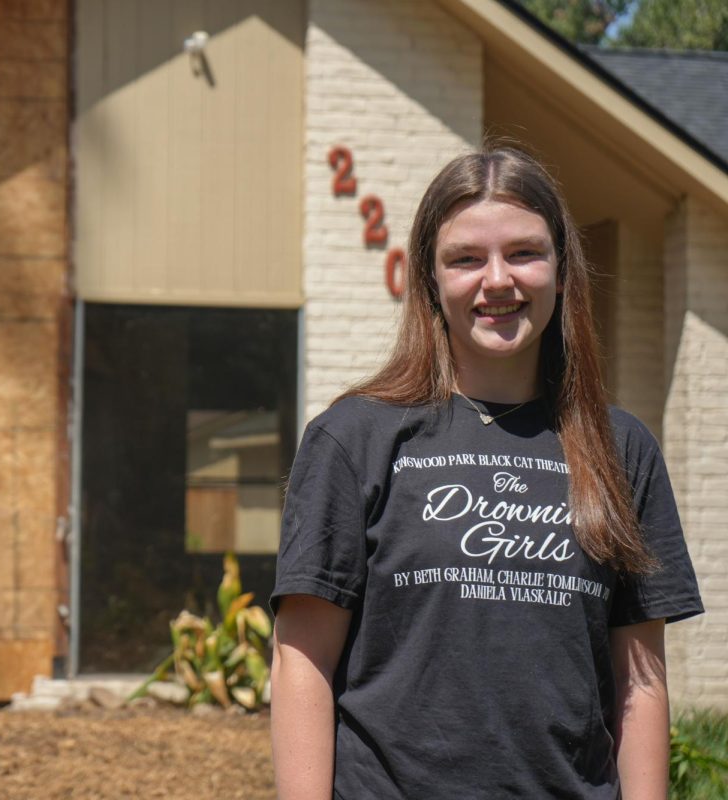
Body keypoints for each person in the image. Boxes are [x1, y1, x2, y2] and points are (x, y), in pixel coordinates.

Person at [269, 146, 704, 799]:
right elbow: (302, 661)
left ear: (562, 271)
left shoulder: (621, 449)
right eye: (466, 258)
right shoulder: (354, 439)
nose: (496, 280)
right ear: (432, 279)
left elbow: (639, 681)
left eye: (524, 253)